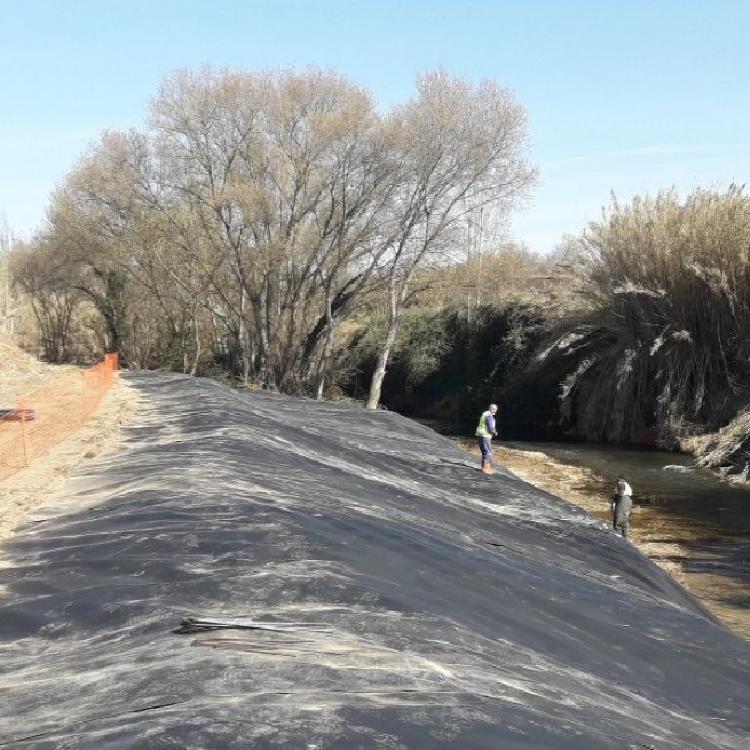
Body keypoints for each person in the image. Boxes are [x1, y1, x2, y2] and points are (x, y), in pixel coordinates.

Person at [475, 403, 499, 475]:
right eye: (493, 409)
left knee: (484, 452)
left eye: (495, 409)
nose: (495, 411)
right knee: (487, 452)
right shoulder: (489, 416)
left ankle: (484, 468)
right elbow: (491, 428)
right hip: (485, 436)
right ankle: (486, 469)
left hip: (480, 435)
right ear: (490, 408)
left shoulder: (484, 414)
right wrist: (495, 433)